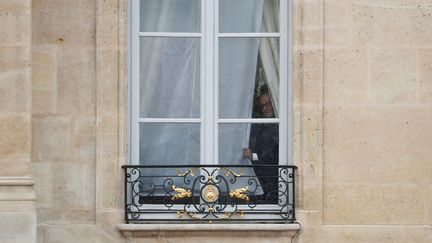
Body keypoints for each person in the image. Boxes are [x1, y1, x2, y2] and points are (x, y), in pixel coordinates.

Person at [243, 93, 279, 203]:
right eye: (262, 106)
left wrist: (252, 155)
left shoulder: (277, 124)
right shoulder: (262, 123)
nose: (265, 108)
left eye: (268, 104)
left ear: (275, 103)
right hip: (261, 174)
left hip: (273, 175)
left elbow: (272, 152)